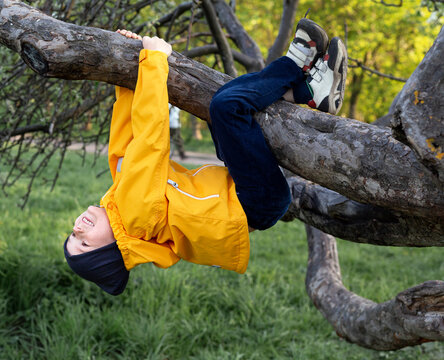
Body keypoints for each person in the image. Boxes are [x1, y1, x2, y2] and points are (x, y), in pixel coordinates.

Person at [64, 21, 347, 295]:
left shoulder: (120, 201)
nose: (77, 229)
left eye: (71, 236)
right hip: (255, 200)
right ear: (114, 250)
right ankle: (295, 66)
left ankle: (306, 92)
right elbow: (150, 139)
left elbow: (126, 139)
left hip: (240, 191)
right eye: (84, 244)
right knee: (227, 107)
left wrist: (128, 77)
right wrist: (153, 60)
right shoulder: (134, 215)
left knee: (221, 99)